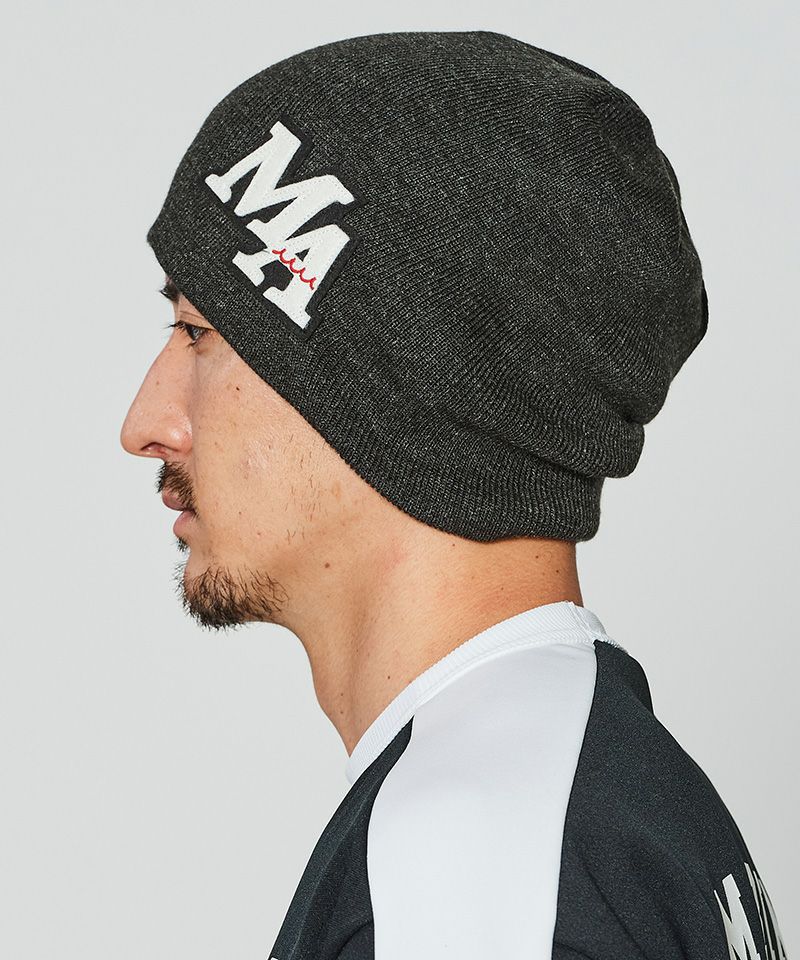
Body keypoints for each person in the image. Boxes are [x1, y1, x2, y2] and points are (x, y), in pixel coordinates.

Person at [120, 29, 787, 960]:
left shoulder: (467, 871)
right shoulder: (596, 796)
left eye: (198, 332)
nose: (144, 423)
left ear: (401, 397)